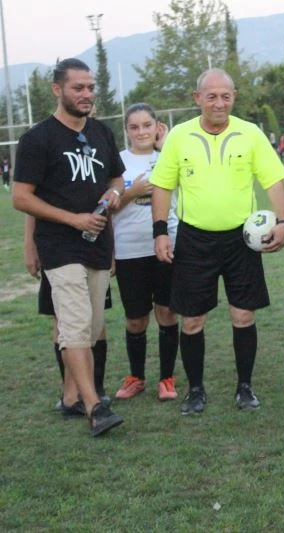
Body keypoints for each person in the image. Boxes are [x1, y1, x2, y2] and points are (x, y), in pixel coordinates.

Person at [149, 68, 284, 415]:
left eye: (225, 96)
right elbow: (163, 187)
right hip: (194, 240)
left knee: (243, 315)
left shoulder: (251, 134)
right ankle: (195, 390)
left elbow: (274, 181)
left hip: (241, 240)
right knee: (192, 320)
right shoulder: (180, 136)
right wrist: (160, 232)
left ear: (234, 97)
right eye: (211, 96)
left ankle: (245, 387)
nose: (219, 102)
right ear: (197, 98)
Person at [12, 58, 125, 437]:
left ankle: (71, 396)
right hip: (60, 245)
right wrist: (73, 219)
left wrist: (114, 193)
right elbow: (22, 197)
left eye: (91, 87)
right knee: (74, 325)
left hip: (97, 243)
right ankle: (95, 406)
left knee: (91, 328)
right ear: (58, 90)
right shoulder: (37, 138)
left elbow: (117, 179)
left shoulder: (102, 133)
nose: (87, 94)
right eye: (78, 88)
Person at [112, 103, 181, 401]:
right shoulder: (117, 163)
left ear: (157, 127)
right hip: (129, 250)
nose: (141, 132)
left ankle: (167, 378)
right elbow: (108, 207)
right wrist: (132, 192)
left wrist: (165, 149)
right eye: (134, 127)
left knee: (166, 311)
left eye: (146, 125)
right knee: (136, 318)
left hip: (167, 246)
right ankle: (136, 377)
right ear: (126, 131)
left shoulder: (169, 159)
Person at [24, 214, 114, 409]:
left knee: (92, 324)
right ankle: (75, 396)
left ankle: (91, 389)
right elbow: (28, 202)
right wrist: (30, 246)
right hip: (58, 252)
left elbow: (107, 204)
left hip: (95, 252)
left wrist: (111, 248)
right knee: (66, 322)